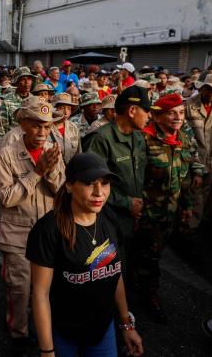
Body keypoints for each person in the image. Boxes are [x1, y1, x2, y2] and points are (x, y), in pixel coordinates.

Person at [27, 153, 143, 357]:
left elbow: (114, 273)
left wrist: (126, 324)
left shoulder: (108, 218)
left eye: (105, 183)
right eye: (90, 183)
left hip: (102, 332)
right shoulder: (48, 230)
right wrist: (47, 351)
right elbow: (40, 294)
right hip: (62, 334)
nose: (99, 192)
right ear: (70, 185)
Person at [0, 98, 65, 349]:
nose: (42, 133)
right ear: (23, 124)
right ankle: (18, 333)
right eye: (36, 126)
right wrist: (36, 173)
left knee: (45, 288)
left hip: (47, 233)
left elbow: (62, 192)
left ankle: (44, 330)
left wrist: (52, 170)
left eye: (47, 127)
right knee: (20, 289)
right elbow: (5, 197)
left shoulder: (53, 151)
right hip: (17, 233)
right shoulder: (7, 153)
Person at [134, 93, 202, 323]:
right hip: (145, 213)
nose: (177, 117)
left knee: (154, 254)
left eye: (181, 113)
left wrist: (187, 205)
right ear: (158, 115)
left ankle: (141, 287)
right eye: (171, 113)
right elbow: (134, 179)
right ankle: (147, 296)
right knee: (146, 256)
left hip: (169, 212)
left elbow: (184, 177)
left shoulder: (182, 138)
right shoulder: (144, 139)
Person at [84, 86, 150, 282]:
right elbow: (89, 186)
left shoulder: (138, 137)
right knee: (105, 272)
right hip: (107, 221)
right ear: (132, 111)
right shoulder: (101, 139)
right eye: (146, 111)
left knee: (127, 269)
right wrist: (126, 203)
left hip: (132, 219)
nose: (149, 116)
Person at [185, 73, 212, 231]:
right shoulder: (188, 105)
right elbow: (184, 137)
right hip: (192, 162)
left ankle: (194, 228)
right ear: (203, 88)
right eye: (210, 89)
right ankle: (188, 232)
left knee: (204, 196)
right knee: (192, 197)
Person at [0, 67, 35, 148]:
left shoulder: (35, 101)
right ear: (16, 82)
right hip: (12, 146)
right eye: (23, 79)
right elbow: (0, 129)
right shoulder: (7, 102)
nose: (27, 83)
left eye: (29, 79)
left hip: (31, 146)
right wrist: (0, 150)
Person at [51, 92, 82, 165]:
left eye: (69, 108)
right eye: (61, 108)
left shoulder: (73, 127)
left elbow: (79, 152)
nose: (65, 112)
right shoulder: (46, 127)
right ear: (54, 109)